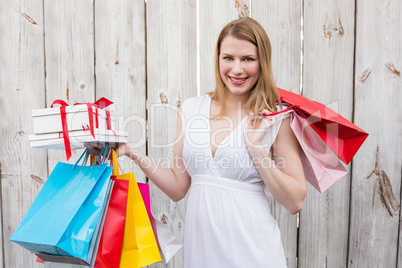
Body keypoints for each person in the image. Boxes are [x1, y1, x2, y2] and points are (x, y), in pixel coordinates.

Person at [91, 17, 306, 268]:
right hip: (203, 252)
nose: (237, 69)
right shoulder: (193, 108)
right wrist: (131, 151)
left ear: (262, 62)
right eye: (228, 58)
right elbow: (177, 188)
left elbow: (295, 202)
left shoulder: (275, 116)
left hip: (254, 251)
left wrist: (256, 148)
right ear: (217, 59)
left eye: (248, 59)